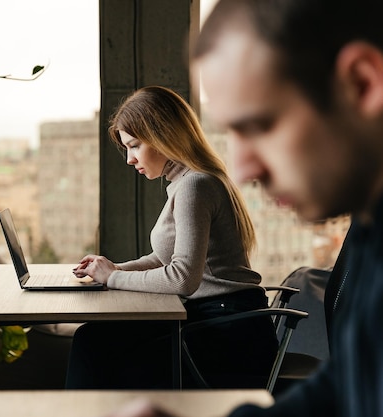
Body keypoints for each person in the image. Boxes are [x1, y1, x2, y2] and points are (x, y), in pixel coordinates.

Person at [109, 0, 383, 415]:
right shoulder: (369, 233)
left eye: (260, 125)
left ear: (362, 84)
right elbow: (344, 386)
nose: (242, 167)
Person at [66, 85, 278, 390]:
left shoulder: (195, 186)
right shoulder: (186, 182)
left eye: (135, 145)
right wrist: (115, 269)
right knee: (95, 340)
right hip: (215, 319)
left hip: (229, 333)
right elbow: (166, 260)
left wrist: (112, 278)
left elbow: (182, 279)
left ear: (164, 136)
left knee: (97, 347)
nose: (129, 158)